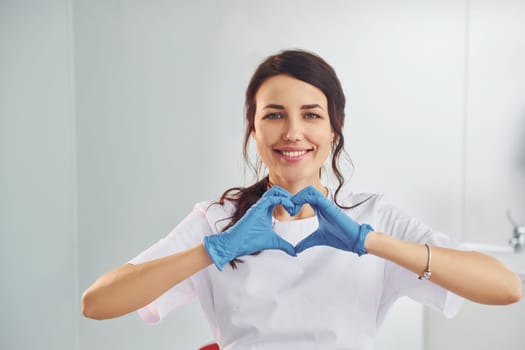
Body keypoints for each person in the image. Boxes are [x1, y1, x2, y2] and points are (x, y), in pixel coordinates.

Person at [81, 49, 522, 349]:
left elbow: (506, 288)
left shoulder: (372, 216)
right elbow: (97, 302)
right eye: (273, 115)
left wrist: (369, 241)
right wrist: (215, 249)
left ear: (334, 127)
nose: (292, 132)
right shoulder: (218, 221)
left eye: (311, 115)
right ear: (253, 129)